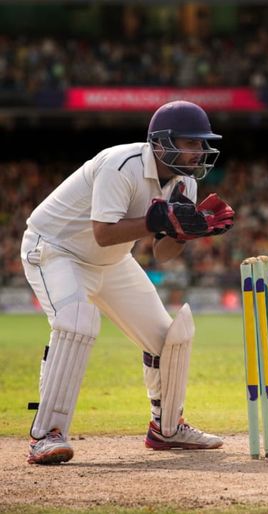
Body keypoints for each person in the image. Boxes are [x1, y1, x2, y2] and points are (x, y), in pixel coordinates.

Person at [21, 100, 236, 464]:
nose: (200, 151)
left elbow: (161, 253)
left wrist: (185, 232)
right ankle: (47, 434)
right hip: (57, 250)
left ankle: (166, 428)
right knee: (76, 321)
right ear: (162, 141)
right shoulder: (120, 165)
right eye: (192, 143)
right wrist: (159, 219)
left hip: (113, 261)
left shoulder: (184, 183)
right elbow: (104, 233)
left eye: (202, 144)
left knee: (169, 338)